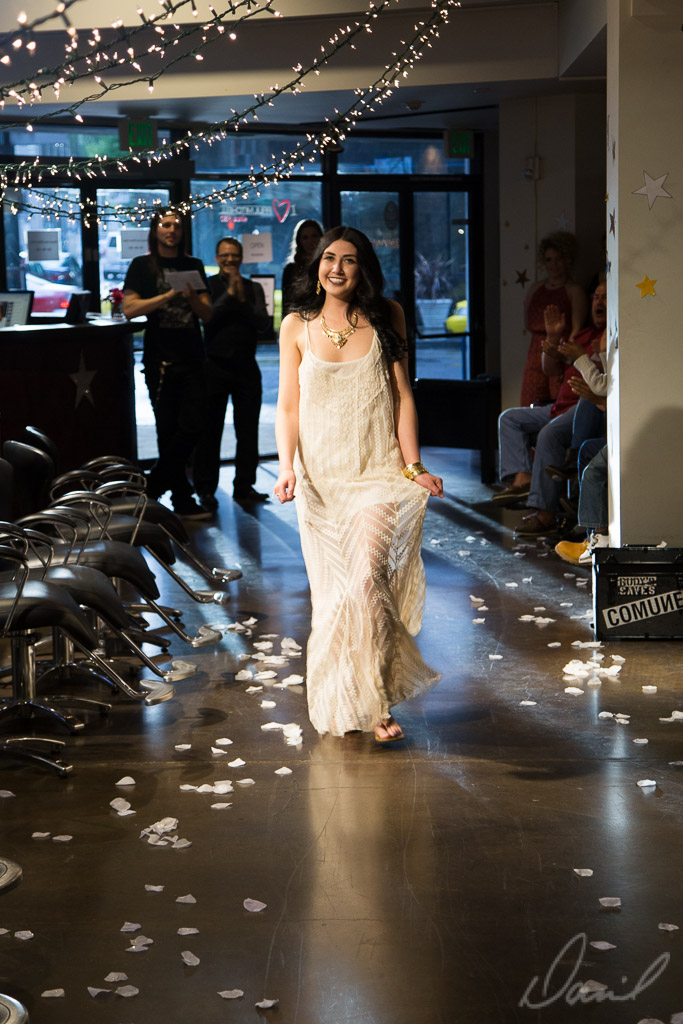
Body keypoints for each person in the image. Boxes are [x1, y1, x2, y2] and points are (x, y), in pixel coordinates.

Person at [273, 225, 443, 743]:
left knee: (369, 578)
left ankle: (376, 699)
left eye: (349, 260)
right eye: (329, 258)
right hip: (321, 481)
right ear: (316, 267)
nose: (337, 268)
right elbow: (287, 405)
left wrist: (413, 465)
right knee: (336, 598)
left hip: (378, 472)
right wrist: (285, 467)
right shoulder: (296, 325)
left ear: (363, 268)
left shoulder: (387, 315)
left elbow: (403, 395)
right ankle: (350, 695)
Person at [493, 281, 607, 537]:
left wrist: (588, 356)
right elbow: (551, 370)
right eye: (596, 297)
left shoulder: (609, 339)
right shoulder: (582, 335)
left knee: (549, 434)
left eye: (605, 297)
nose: (599, 302)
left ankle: (544, 514)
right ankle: (522, 479)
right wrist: (553, 338)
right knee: (509, 418)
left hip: (584, 406)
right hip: (558, 407)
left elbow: (603, 383)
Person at [123, 207, 212, 519]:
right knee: (167, 430)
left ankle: (153, 486)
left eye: (177, 225)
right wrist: (167, 296)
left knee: (194, 425)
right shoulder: (142, 265)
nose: (172, 230)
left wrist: (190, 297)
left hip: (193, 358)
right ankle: (182, 500)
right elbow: (129, 309)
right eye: (165, 224)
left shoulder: (193, 265)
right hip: (159, 361)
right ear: (155, 230)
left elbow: (208, 314)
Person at [193, 237, 270, 509]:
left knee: (248, 430)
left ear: (241, 258)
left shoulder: (253, 287)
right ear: (216, 259)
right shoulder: (208, 285)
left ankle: (244, 486)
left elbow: (263, 323)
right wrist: (229, 294)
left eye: (234, 255)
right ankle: (205, 489)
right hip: (214, 366)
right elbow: (208, 318)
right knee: (210, 430)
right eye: (224, 255)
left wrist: (242, 298)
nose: (230, 260)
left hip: (246, 367)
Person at [521, 232, 587, 406]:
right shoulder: (536, 288)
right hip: (535, 355)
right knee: (529, 405)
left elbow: (576, 331)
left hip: (560, 354)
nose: (553, 265)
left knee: (558, 404)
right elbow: (528, 321)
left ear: (567, 260)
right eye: (549, 260)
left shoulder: (574, 291)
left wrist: (565, 360)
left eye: (559, 259)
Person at [281, 219, 323, 317]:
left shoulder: (327, 266)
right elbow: (286, 304)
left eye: (314, 236)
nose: (310, 241)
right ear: (299, 241)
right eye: (305, 237)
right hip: (299, 318)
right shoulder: (291, 270)